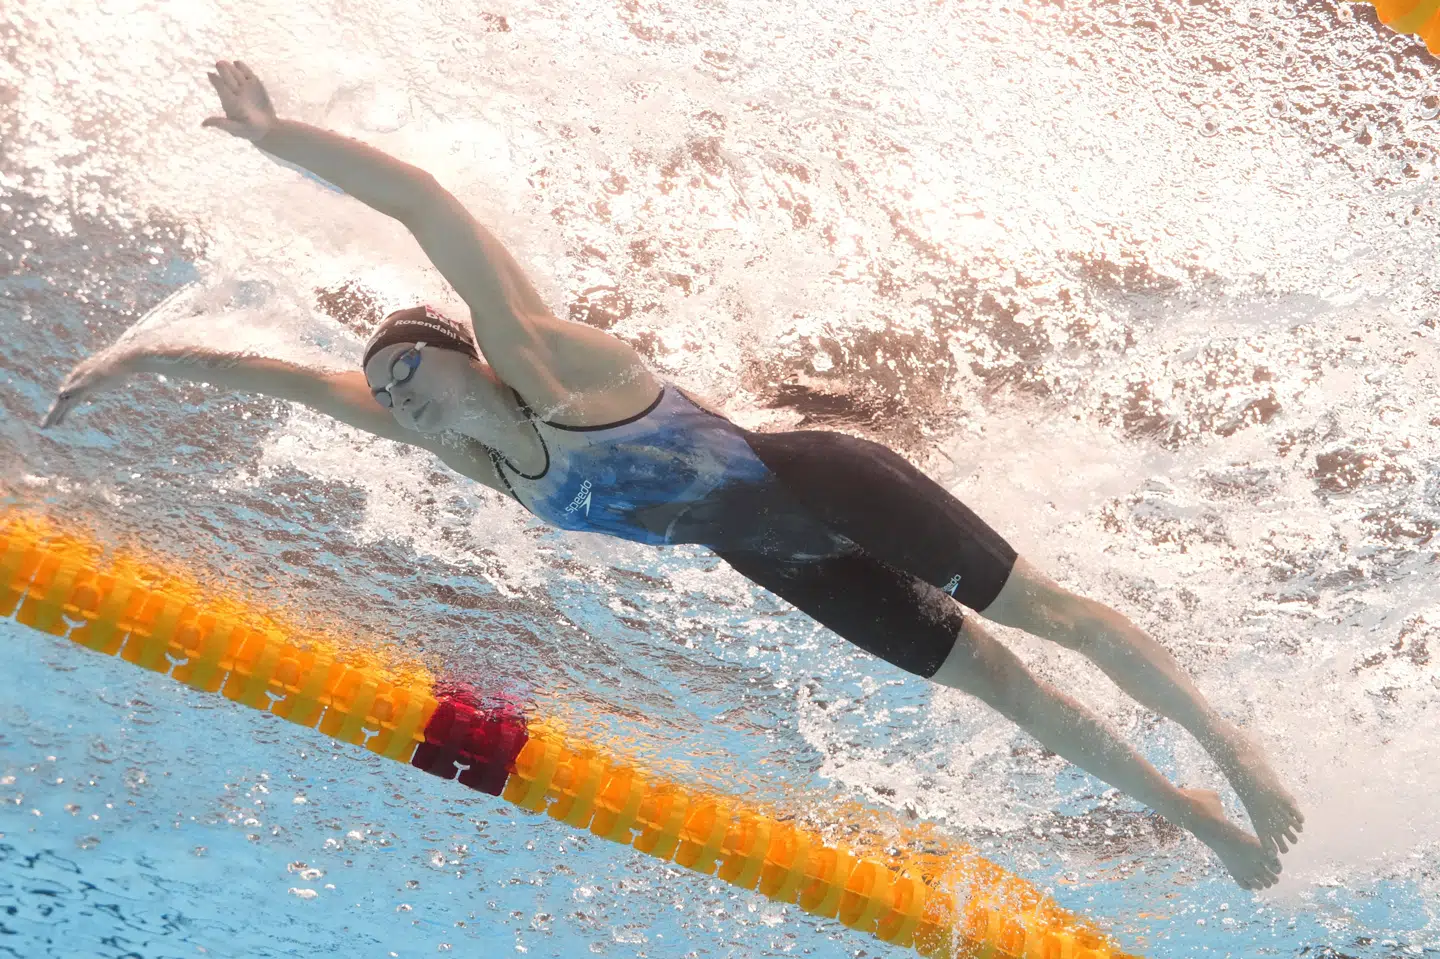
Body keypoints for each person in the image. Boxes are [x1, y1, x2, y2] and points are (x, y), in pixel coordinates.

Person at [44, 60, 1303, 889]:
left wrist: (278, 139)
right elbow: (258, 374)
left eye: (407, 380)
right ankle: (1192, 811)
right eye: (384, 402)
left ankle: (1228, 746)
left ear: (461, 353)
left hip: (824, 480)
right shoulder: (472, 445)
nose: (394, 406)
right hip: (780, 557)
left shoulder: (534, 359)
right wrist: (133, 360)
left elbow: (428, 206)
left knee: (1056, 619)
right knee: (1005, 690)